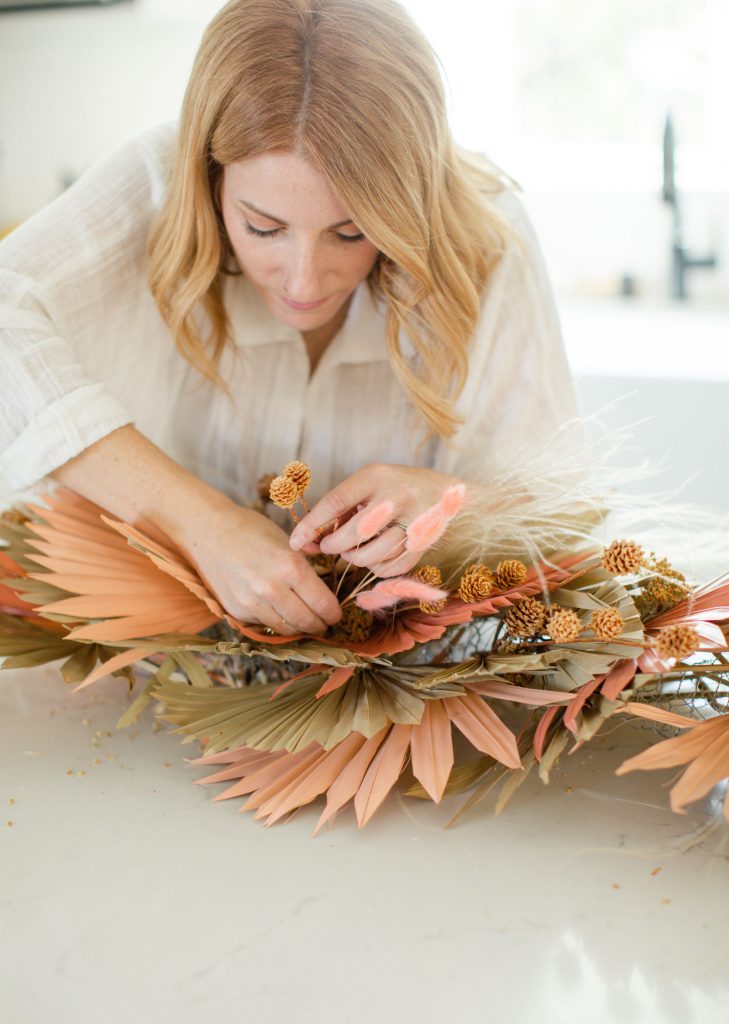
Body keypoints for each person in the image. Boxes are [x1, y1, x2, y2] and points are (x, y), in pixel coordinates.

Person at [0, 0, 579, 638]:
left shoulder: (487, 236)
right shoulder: (158, 182)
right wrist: (199, 521)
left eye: (351, 232)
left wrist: (453, 508)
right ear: (212, 182)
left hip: (404, 666)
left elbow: (563, 505)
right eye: (263, 227)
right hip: (160, 654)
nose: (304, 282)